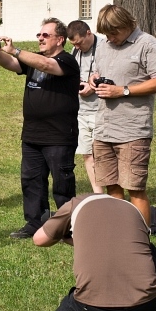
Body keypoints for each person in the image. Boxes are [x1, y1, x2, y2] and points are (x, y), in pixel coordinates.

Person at [0, 18, 80, 239]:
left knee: (62, 182)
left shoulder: (66, 60)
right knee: (31, 180)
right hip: (32, 135)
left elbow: (47, 66)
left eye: (45, 35)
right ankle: (34, 222)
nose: (40, 38)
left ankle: (68, 225)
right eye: (39, 35)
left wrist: (16, 50)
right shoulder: (34, 60)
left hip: (58, 135)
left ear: (60, 39)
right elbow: (10, 64)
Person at [90, 4, 156, 229]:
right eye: (106, 34)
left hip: (132, 130)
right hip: (104, 128)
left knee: (135, 187)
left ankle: (141, 241)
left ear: (128, 25)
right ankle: (120, 238)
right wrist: (94, 80)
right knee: (111, 187)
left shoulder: (148, 44)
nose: (110, 38)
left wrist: (122, 90)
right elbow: (97, 73)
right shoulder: (103, 46)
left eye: (114, 33)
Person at [66, 20, 102, 193]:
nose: (78, 47)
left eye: (79, 43)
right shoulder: (75, 51)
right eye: (74, 44)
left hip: (101, 110)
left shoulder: (104, 47)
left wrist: (92, 85)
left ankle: (114, 192)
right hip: (81, 111)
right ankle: (98, 193)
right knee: (87, 154)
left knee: (102, 154)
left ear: (89, 33)